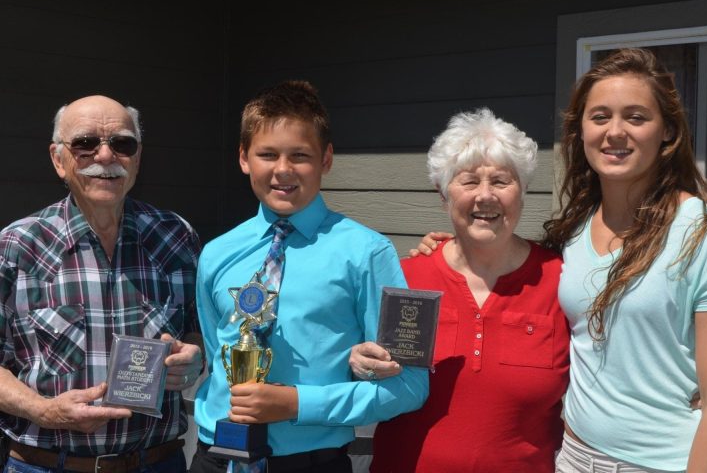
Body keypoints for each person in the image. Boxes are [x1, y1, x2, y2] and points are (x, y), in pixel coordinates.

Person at [417, 49, 707, 472]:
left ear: (667, 130)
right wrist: (453, 247)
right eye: (600, 117)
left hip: (665, 463)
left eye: (636, 117)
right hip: (575, 458)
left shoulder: (706, 237)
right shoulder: (573, 232)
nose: (615, 132)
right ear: (581, 132)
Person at [191, 80, 428, 473]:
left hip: (308, 463)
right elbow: (219, 352)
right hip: (215, 457)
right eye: (267, 154)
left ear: (326, 159)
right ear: (244, 158)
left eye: (300, 155)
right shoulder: (217, 253)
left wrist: (298, 404)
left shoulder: (367, 253)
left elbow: (409, 387)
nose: (283, 169)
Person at [349, 108, 570, 472]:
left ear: (523, 191)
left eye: (501, 181)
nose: (485, 195)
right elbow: (356, 371)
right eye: (468, 182)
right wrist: (359, 363)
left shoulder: (560, 281)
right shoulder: (403, 279)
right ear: (443, 193)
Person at [0, 95, 204, 473]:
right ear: (58, 159)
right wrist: (44, 411)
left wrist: (193, 357)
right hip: (48, 465)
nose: (106, 156)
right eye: (85, 143)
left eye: (122, 144)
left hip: (157, 463)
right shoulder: (16, 246)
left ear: (137, 159)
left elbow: (199, 330)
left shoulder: (175, 237)